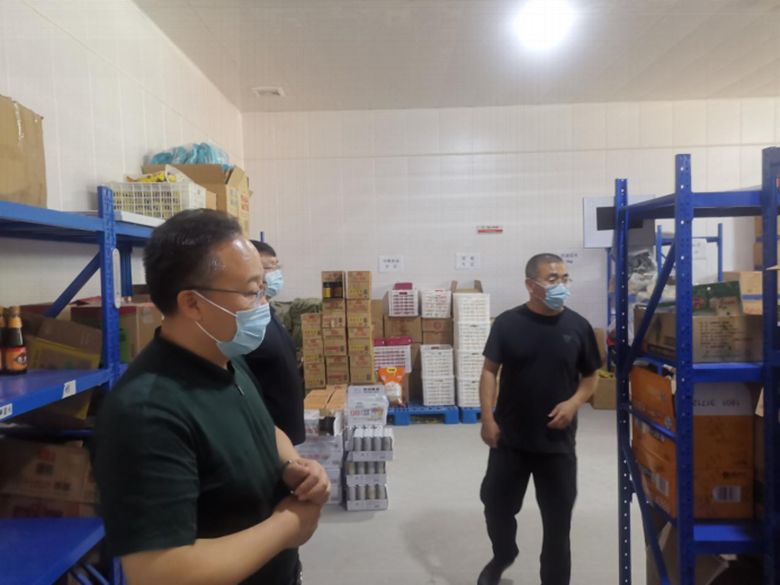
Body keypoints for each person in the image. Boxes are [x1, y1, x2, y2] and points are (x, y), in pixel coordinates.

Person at [92, 210, 330, 585]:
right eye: (251, 292)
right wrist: (287, 526)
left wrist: (293, 465)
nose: (264, 303)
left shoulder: (226, 357)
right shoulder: (146, 413)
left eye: (264, 289)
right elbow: (159, 572)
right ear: (192, 303)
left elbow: (263, 429)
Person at [477, 253, 601, 585]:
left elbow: (591, 376)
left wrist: (574, 403)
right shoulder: (507, 323)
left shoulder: (578, 327)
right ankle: (504, 554)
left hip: (557, 443)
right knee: (496, 505)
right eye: (552, 279)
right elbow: (489, 371)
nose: (561, 285)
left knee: (558, 524)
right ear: (530, 285)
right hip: (510, 438)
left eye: (564, 278)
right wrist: (487, 418)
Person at [243, 241, 305, 445]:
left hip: (284, 438)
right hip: (265, 440)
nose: (275, 274)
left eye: (277, 267)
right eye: (270, 268)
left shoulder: (268, 312)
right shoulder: (245, 325)